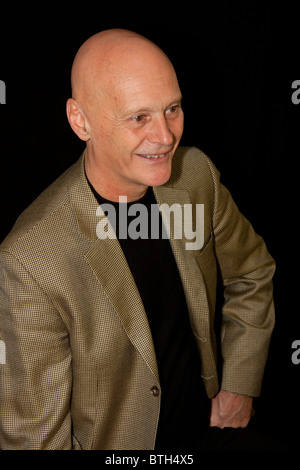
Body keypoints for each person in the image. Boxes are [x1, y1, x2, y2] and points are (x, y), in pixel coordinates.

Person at [0, 29, 275, 450]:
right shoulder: (30, 260)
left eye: (173, 109)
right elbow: (35, 442)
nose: (165, 137)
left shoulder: (197, 175)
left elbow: (253, 273)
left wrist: (238, 382)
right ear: (80, 121)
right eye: (139, 117)